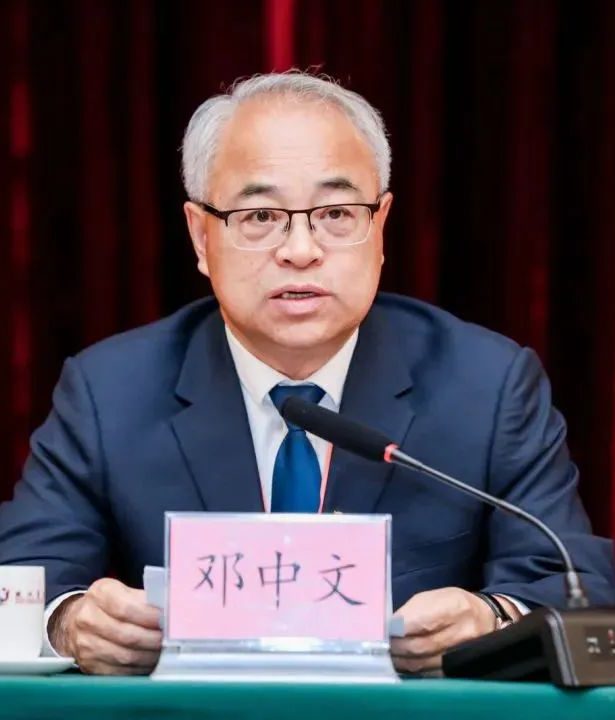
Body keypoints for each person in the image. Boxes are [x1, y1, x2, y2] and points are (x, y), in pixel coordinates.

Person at [0, 71, 613, 676]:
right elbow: (25, 579)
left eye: (337, 213)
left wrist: (492, 618)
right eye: (260, 216)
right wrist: (70, 622)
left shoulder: (487, 386)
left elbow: (570, 582)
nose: (300, 250)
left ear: (380, 228)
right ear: (200, 236)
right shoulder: (110, 392)